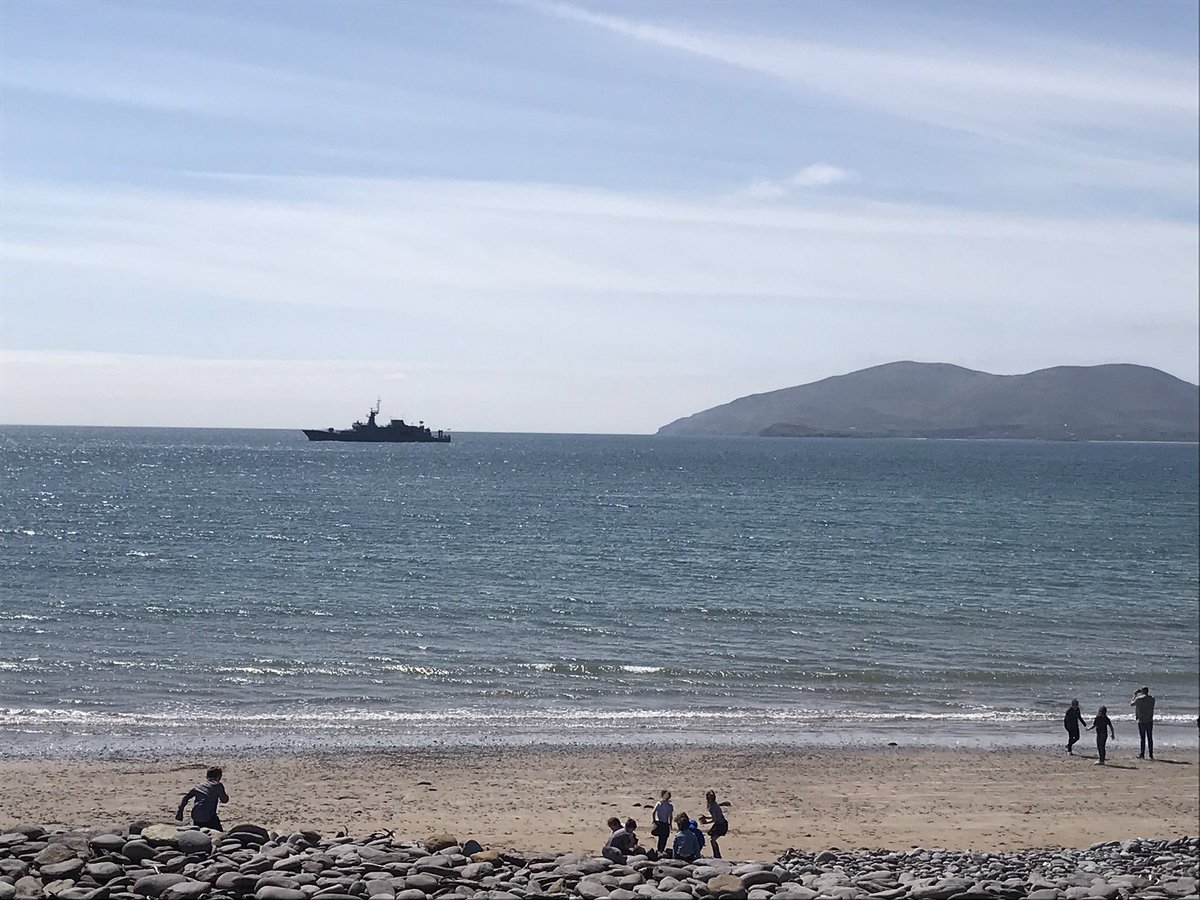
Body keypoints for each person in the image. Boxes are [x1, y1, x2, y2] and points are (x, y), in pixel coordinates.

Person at [700, 789, 729, 858]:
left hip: (721, 824)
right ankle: (716, 854)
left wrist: (706, 822)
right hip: (720, 823)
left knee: (713, 840)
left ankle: (717, 855)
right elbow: (715, 816)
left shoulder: (712, 806)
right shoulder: (713, 804)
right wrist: (706, 818)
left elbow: (714, 819)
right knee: (712, 839)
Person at [1130, 687, 1155, 760]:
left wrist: (1134, 695)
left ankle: (1142, 753)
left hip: (1142, 720)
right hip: (1149, 720)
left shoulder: (1139, 699)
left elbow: (1132, 703)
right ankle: (1151, 754)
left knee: (1142, 738)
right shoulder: (1152, 699)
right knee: (1150, 737)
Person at [651, 789, 674, 854]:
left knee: (660, 838)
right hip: (665, 823)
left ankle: (659, 851)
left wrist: (654, 820)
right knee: (664, 838)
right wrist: (670, 823)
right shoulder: (670, 806)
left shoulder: (659, 803)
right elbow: (670, 816)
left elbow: (653, 812)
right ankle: (661, 851)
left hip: (659, 822)